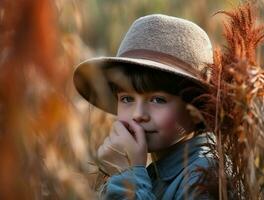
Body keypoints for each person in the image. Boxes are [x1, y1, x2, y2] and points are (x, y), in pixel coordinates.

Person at [73, 14, 217, 199]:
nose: (138, 115)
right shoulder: (157, 171)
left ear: (198, 107)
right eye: (126, 99)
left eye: (158, 100)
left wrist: (127, 177)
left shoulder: (204, 175)